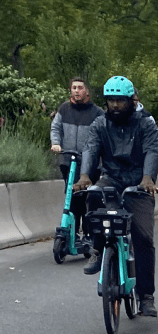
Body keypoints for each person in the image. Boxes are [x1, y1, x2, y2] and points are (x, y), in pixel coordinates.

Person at [74, 75, 158, 317]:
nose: (114, 106)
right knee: (93, 195)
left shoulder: (145, 122)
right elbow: (91, 148)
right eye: (110, 100)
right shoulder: (101, 123)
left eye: (120, 101)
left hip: (139, 183)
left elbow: (152, 149)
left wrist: (147, 178)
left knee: (143, 238)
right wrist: (84, 177)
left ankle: (146, 296)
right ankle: (98, 248)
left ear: (132, 100)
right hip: (111, 177)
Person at [50, 78, 104, 238]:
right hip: (68, 161)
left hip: (90, 164)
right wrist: (56, 143)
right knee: (71, 197)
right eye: (74, 87)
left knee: (88, 198)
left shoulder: (97, 112)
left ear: (86, 91)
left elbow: (103, 135)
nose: (76, 90)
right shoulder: (64, 109)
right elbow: (56, 127)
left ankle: (89, 234)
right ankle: (71, 233)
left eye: (80, 87)